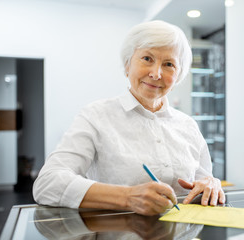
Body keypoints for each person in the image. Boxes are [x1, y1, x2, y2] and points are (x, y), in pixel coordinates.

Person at [33, 20, 225, 216]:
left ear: (178, 76)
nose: (156, 73)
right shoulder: (96, 116)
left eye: (168, 64)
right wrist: (128, 197)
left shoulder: (188, 126)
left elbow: (203, 181)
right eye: (147, 59)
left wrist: (210, 184)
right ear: (127, 65)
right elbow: (48, 183)